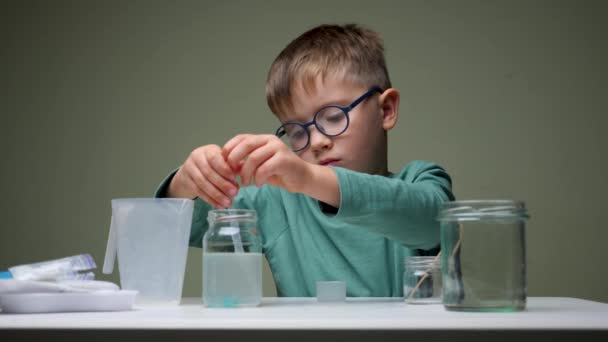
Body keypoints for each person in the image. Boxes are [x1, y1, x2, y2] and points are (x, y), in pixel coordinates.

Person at [155, 23, 454, 297]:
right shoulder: (277, 203)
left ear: (386, 109)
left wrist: (309, 178)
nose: (317, 142)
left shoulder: (421, 179)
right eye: (297, 132)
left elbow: (434, 222)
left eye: (334, 117)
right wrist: (186, 182)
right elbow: (174, 228)